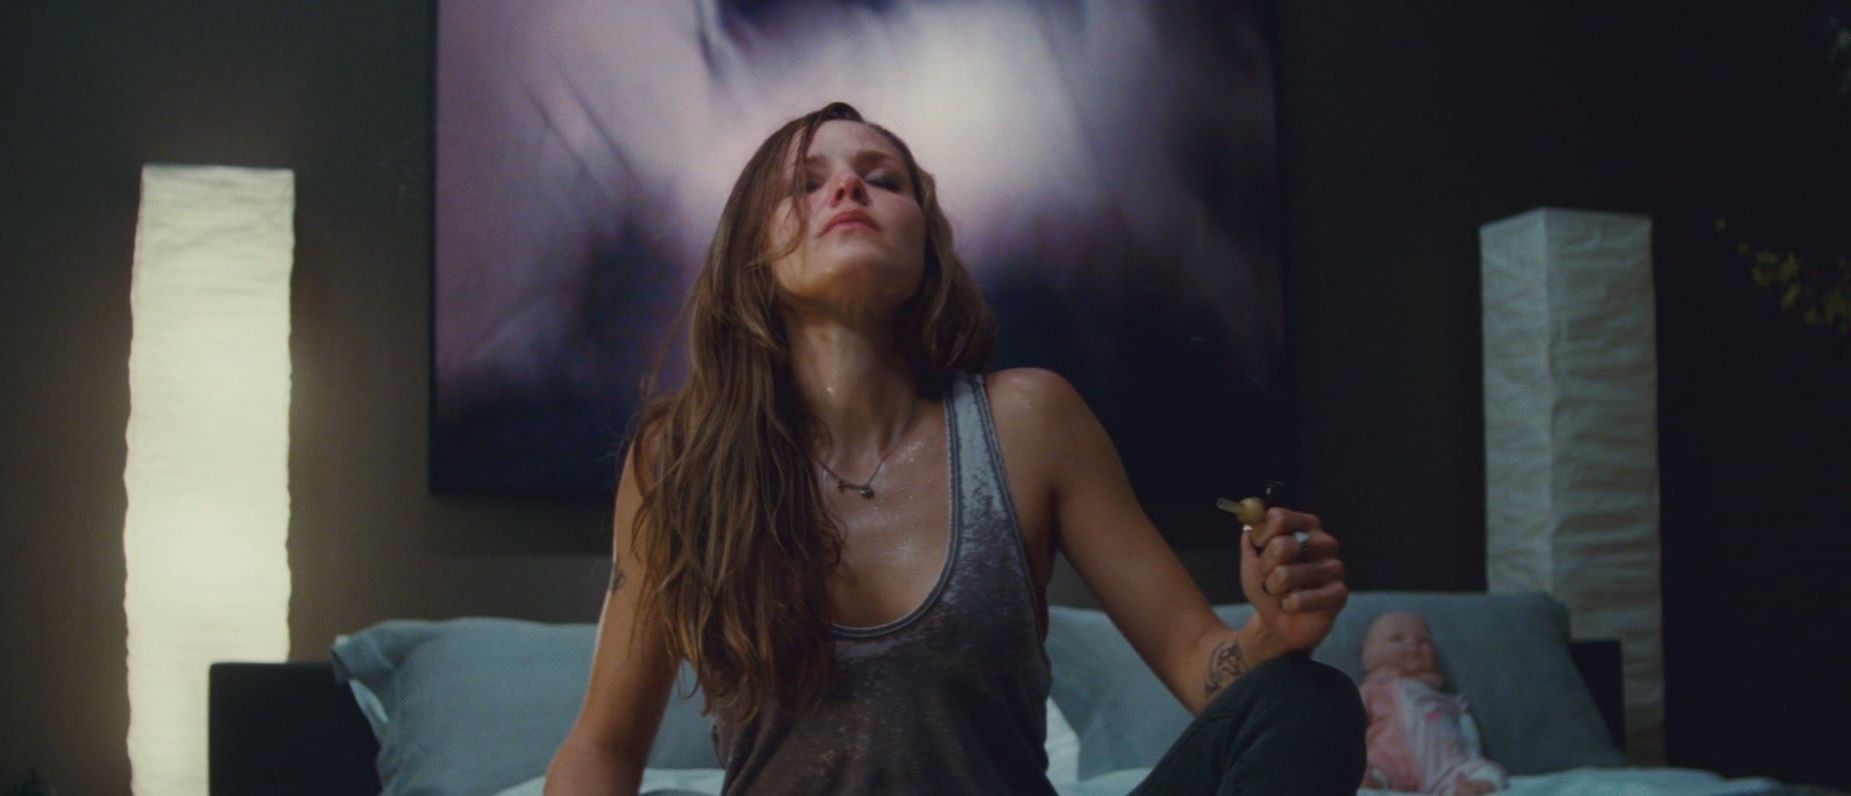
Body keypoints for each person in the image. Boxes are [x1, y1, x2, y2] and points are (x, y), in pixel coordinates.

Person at [542, 102, 1365, 795]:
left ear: (927, 241)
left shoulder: (1032, 421)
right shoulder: (680, 457)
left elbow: (1201, 662)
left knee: (1307, 700)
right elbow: (604, 747)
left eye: (883, 177)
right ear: (752, 252)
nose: (847, 188)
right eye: (806, 182)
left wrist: (1273, 631)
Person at [1359, 612, 1507, 795]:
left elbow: (1468, 734)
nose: (1413, 643)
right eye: (1397, 639)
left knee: (1487, 769)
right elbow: (1348, 721)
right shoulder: (1373, 691)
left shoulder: (1445, 699)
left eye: (1423, 641)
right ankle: (1372, 781)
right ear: (1368, 657)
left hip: (1447, 766)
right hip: (1391, 761)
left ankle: (1474, 788)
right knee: (1369, 769)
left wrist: (1472, 754)